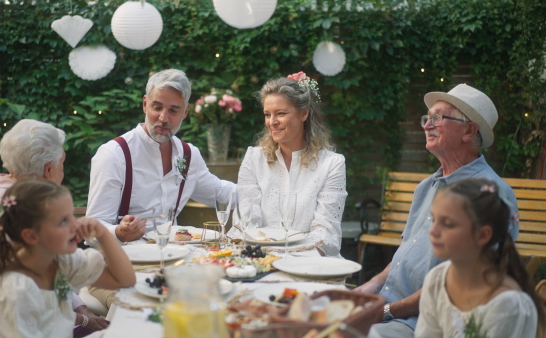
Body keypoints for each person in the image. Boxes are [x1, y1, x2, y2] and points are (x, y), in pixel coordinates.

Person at [355, 84, 520, 338]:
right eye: (427, 117)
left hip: (429, 323)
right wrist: (367, 289)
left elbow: (457, 286)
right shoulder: (426, 187)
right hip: (391, 311)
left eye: (437, 118)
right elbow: (404, 258)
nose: (426, 125)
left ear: (469, 131)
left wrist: (385, 311)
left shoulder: (492, 195)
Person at [0, 119, 108, 337]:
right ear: (48, 169)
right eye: (62, 163)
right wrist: (84, 321)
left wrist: (79, 307)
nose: (62, 172)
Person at [87, 68, 234, 242]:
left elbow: (221, 193)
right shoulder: (113, 155)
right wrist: (118, 233)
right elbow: (92, 230)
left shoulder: (188, 155)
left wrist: (265, 189)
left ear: (185, 112)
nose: (163, 118)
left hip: (173, 256)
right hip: (126, 259)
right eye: (157, 107)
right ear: (144, 104)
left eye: (173, 111)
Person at [0, 179, 135, 338]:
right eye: (63, 221)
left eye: (72, 216)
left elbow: (124, 280)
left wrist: (102, 233)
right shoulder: (14, 291)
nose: (75, 226)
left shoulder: (59, 261)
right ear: (31, 236)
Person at [228, 71, 347, 257]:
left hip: (310, 264)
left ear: (304, 113)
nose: (272, 122)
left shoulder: (332, 164)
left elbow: (326, 234)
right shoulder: (254, 158)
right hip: (260, 260)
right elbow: (245, 224)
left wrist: (291, 261)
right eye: (267, 114)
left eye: (281, 113)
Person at [416, 178, 542, 337]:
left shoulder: (507, 305)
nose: (433, 231)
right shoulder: (436, 280)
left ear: (482, 235)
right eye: (434, 220)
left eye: (448, 224)